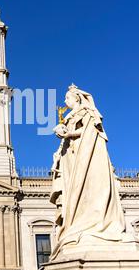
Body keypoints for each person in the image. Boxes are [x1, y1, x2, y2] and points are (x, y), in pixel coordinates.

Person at [50, 84, 127, 258]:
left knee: (84, 186)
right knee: (74, 191)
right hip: (72, 157)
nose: (65, 101)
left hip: (85, 156)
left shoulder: (87, 111)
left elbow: (90, 131)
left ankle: (91, 224)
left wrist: (68, 134)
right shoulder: (71, 116)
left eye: (67, 98)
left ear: (76, 98)